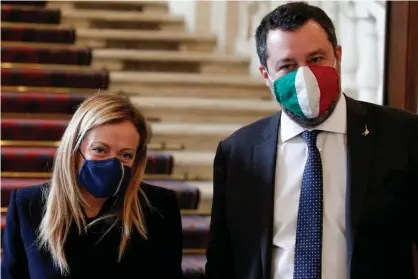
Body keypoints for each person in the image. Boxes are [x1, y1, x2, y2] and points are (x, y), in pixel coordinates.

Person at [205, 2, 418, 279]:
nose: (304, 76)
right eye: (288, 66)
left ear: (338, 57)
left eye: (316, 59)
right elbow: (223, 259)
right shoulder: (239, 152)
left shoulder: (401, 135)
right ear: (266, 76)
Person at [1, 94, 183, 279]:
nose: (112, 163)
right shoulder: (29, 205)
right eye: (100, 150)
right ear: (74, 149)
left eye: (125, 155)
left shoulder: (159, 207)